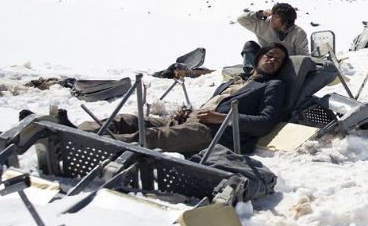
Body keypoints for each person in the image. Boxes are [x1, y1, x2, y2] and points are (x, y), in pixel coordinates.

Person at [76, 44, 290, 155]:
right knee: (127, 120)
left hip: (217, 133)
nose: (272, 60)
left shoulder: (273, 85)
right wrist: (189, 112)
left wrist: (221, 119)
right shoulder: (235, 81)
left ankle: (86, 145)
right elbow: (213, 106)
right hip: (195, 120)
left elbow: (264, 123)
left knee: (153, 136)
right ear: (259, 57)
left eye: (278, 60)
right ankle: (75, 132)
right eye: (269, 55)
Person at [238, 3, 309, 68]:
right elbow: (241, 19)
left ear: (286, 21)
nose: (272, 17)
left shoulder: (298, 33)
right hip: (265, 61)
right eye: (273, 14)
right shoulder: (264, 24)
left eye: (276, 16)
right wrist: (260, 14)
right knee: (250, 45)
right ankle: (250, 73)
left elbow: (303, 57)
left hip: (285, 66)